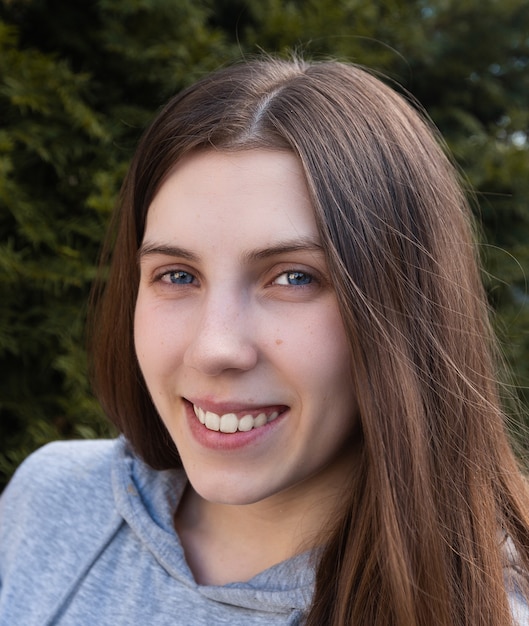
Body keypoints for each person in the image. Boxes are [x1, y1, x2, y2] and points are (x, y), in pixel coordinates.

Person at [1, 56, 529, 626]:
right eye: (177, 275)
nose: (214, 347)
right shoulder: (53, 499)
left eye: (294, 277)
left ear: (405, 311)